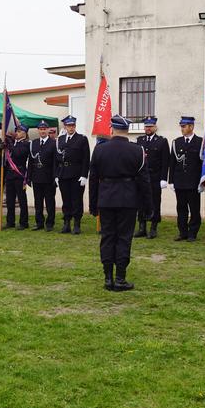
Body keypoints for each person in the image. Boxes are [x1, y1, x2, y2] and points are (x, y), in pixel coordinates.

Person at [89, 115, 152, 291]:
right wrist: (148, 206)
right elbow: (144, 181)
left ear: (112, 129)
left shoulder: (100, 150)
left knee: (108, 237)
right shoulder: (137, 150)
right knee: (124, 238)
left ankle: (108, 277)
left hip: (106, 198)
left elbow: (93, 179)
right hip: (128, 199)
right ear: (128, 130)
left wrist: (93, 204)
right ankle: (120, 278)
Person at [168, 116, 203, 242]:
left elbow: (203, 163)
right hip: (180, 181)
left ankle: (193, 232)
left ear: (191, 127)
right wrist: (170, 180)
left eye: (184, 126)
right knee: (181, 208)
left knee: (194, 208)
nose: (182, 129)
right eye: (181, 126)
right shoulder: (176, 142)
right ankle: (182, 232)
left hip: (193, 182)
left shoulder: (200, 142)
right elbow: (172, 163)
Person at [134, 116, 169, 239]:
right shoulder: (139, 140)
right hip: (142, 177)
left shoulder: (162, 141)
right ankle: (142, 227)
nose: (148, 128)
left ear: (155, 127)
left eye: (150, 126)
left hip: (155, 177)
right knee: (141, 201)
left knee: (155, 202)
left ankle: (153, 227)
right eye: (146, 126)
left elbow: (166, 162)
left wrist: (164, 178)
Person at [56, 115, 90, 234]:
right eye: (69, 126)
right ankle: (66, 223)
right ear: (65, 127)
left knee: (76, 200)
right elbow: (56, 158)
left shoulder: (82, 139)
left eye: (73, 125)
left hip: (76, 174)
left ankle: (77, 224)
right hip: (63, 174)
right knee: (66, 200)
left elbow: (86, 158)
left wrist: (84, 175)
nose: (71, 128)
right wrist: (56, 175)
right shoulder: (60, 140)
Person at [28, 121, 57, 231]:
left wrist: (55, 177)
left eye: (44, 129)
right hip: (36, 177)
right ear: (38, 130)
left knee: (49, 201)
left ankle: (50, 223)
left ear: (48, 130)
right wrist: (29, 177)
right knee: (38, 202)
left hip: (49, 177)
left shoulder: (53, 143)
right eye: (40, 129)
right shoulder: (33, 143)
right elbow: (31, 161)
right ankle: (39, 222)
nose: (42, 131)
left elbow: (55, 162)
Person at [4, 124, 30, 229]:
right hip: (10, 174)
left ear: (25, 133)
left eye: (19, 131)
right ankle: (10, 221)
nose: (17, 133)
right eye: (17, 131)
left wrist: (10, 144)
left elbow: (18, 154)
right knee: (10, 200)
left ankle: (24, 222)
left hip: (19, 173)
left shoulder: (26, 144)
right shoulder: (13, 143)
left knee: (22, 200)